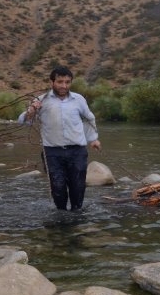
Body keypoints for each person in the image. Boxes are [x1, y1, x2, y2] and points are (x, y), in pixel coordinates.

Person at [18, 66, 101, 211]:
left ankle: (76, 214)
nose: (64, 86)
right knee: (58, 187)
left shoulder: (78, 99)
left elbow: (89, 118)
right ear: (52, 82)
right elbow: (23, 121)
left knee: (78, 187)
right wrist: (31, 111)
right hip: (52, 152)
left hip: (77, 151)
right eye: (60, 82)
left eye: (67, 82)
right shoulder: (41, 100)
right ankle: (61, 215)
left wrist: (93, 139)